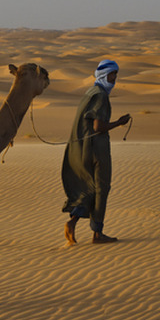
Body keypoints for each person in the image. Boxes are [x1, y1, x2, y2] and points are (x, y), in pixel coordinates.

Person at [61, 59, 131, 245]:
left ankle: (73, 222)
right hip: (96, 149)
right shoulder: (100, 96)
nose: (114, 79)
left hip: (83, 149)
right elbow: (98, 126)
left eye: (115, 75)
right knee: (102, 188)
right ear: (103, 75)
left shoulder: (90, 92)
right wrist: (119, 122)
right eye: (111, 75)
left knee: (89, 187)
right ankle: (98, 234)